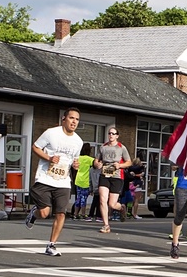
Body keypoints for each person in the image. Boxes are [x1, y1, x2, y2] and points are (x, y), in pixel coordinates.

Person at [25, 108, 84, 256]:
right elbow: (35, 147)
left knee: (61, 214)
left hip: (63, 181)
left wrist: (76, 165)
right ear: (64, 119)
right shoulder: (51, 133)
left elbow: (74, 160)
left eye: (77, 119)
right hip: (46, 177)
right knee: (44, 213)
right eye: (71, 118)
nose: (74, 122)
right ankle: (34, 213)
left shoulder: (78, 141)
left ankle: (51, 245)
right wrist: (49, 158)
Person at [95, 126, 132, 234]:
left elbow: (129, 162)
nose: (111, 135)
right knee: (102, 199)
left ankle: (121, 208)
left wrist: (120, 165)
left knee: (112, 204)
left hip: (117, 177)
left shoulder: (121, 147)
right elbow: (96, 161)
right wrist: (97, 164)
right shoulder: (103, 147)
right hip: (104, 175)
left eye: (113, 133)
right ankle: (106, 225)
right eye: (109, 133)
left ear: (117, 136)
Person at [71, 143, 94, 221]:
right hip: (86, 180)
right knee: (84, 198)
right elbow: (96, 164)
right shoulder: (89, 159)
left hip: (78, 179)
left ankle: (75, 214)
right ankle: (83, 214)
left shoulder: (78, 158)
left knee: (78, 198)